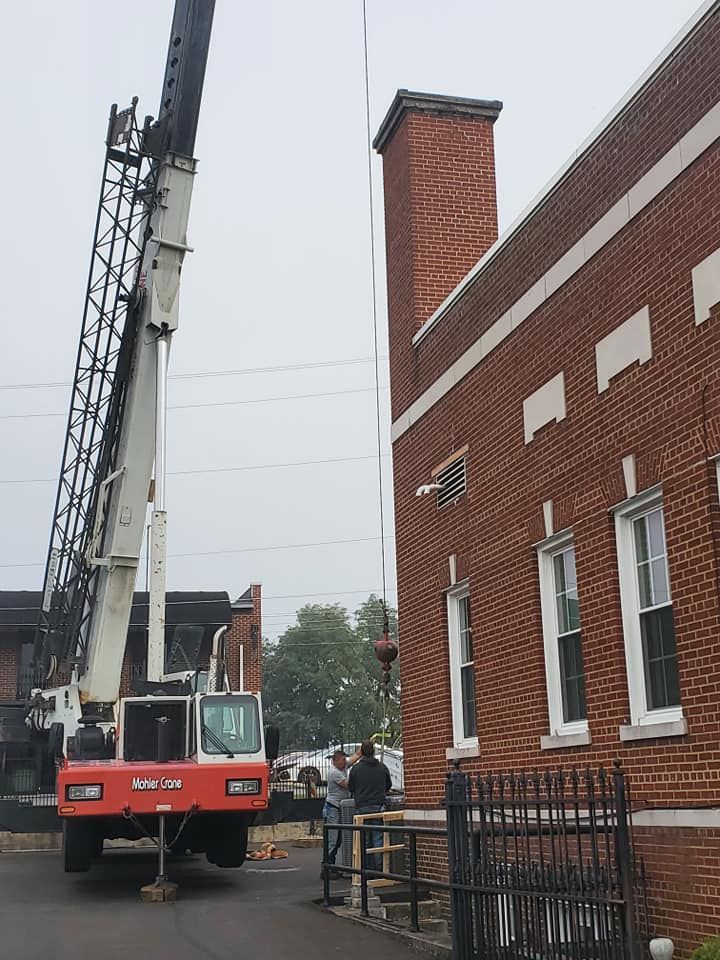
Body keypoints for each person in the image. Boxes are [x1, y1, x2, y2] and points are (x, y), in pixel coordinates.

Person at [348, 739, 392, 871]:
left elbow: (351, 787)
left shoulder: (356, 769)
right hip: (378, 807)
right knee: (378, 838)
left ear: (361, 752)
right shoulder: (382, 767)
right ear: (373, 751)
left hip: (362, 808)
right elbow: (388, 785)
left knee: (364, 839)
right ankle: (380, 868)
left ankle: (365, 868)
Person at [322, 746, 360, 878]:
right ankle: (327, 868)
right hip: (333, 808)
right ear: (335, 761)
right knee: (333, 840)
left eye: (345, 760)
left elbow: (354, 758)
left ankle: (331, 867)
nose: (345, 763)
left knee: (337, 840)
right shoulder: (334, 773)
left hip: (337, 808)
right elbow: (349, 785)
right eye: (342, 760)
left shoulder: (342, 767)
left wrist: (362, 750)